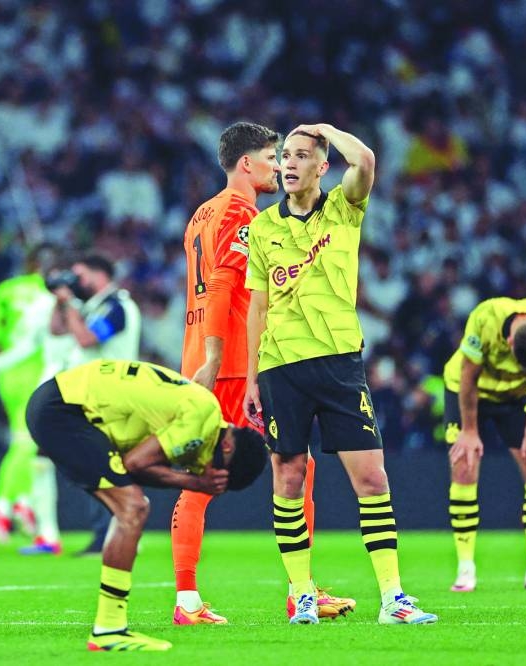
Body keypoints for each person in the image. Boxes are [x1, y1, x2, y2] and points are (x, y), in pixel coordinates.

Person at [244, 124, 437, 625]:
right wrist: (249, 380)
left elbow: (367, 161)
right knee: (288, 477)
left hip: (339, 363)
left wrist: (325, 130)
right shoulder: (263, 229)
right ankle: (302, 592)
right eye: (284, 155)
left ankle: (393, 598)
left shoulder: (342, 208)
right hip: (281, 366)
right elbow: (257, 307)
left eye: (301, 155)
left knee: (372, 479)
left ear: (320, 167)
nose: (287, 163)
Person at [175, 121, 355, 624]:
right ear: (247, 164)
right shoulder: (238, 212)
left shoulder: (200, 214)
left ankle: (188, 598)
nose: (280, 166)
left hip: (205, 358)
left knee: (202, 474)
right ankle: (300, 591)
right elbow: (221, 287)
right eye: (274, 157)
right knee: (292, 467)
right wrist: (214, 360)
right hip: (230, 365)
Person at [26, 359, 268, 651]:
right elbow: (136, 464)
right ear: (227, 447)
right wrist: (196, 483)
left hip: (63, 401)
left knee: (131, 507)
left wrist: (190, 479)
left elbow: (136, 468)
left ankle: (109, 627)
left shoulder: (204, 412)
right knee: (133, 508)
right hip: (66, 410)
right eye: (217, 471)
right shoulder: (199, 423)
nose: (206, 468)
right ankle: (109, 630)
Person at [443, 297, 526, 592]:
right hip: (468, 391)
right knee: (465, 464)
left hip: (516, 398)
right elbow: (468, 375)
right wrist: (470, 430)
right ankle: (465, 570)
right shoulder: (484, 318)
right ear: (509, 341)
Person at [50, 254, 141, 555]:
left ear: (99, 274)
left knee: (105, 466)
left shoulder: (118, 306)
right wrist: (62, 302)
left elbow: (87, 339)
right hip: (93, 395)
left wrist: (71, 307)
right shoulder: (94, 306)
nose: (75, 283)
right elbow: (56, 330)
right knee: (94, 466)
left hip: (112, 395)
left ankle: (115, 533)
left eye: (79, 276)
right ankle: (106, 533)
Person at [0, 246, 56, 542]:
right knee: (27, 442)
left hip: (10, 372)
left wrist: (3, 338)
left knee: (26, 440)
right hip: (35, 368)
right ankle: (2, 503)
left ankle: (24, 501)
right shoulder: (50, 294)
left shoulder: (9, 289)